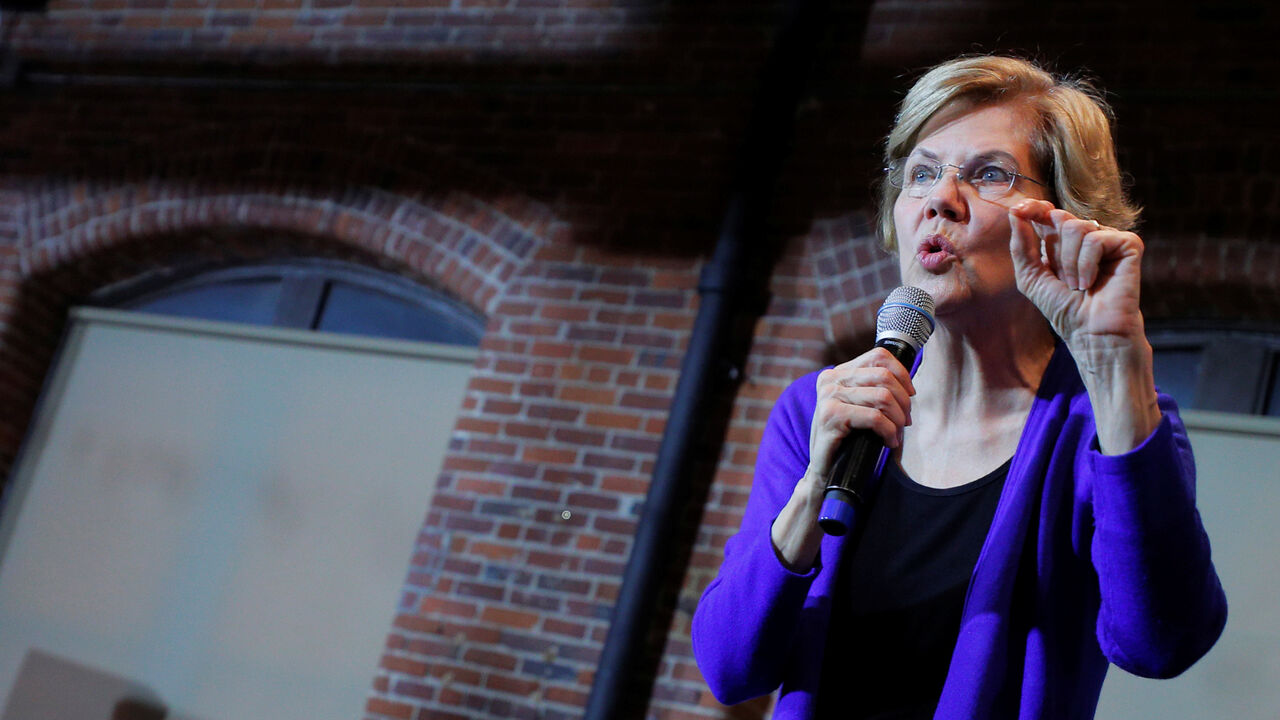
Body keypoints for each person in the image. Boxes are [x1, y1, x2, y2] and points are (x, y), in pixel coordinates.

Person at [691, 55, 1227, 719]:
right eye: (921, 173)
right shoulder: (817, 409)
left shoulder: (1111, 431)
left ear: (1063, 220)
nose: (939, 200)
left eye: (990, 173)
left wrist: (1116, 367)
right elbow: (729, 667)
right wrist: (809, 496)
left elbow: (1161, 644)